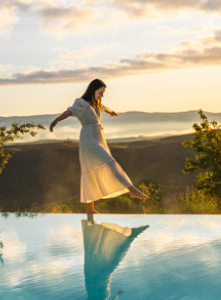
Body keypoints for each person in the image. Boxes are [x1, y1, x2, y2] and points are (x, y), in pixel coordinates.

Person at [50, 79, 148, 213]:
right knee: (109, 163)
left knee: (92, 169)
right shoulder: (81, 103)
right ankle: (131, 189)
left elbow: (103, 108)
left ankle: (89, 208)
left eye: (103, 93)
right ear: (93, 90)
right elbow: (69, 111)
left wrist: (111, 111)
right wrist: (56, 120)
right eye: (100, 92)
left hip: (99, 137)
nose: (102, 95)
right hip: (88, 139)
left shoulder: (96, 104)